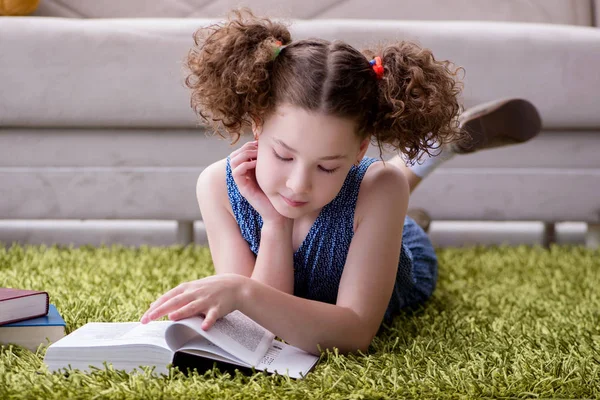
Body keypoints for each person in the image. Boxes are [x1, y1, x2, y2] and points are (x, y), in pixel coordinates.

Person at [140, 9, 541, 355]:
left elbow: (355, 332)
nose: (298, 185)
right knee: (373, 191)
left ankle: (430, 155)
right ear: (257, 125)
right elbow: (260, 329)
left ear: (360, 149)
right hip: (364, 211)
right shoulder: (216, 186)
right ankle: (430, 156)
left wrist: (241, 292)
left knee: (388, 186)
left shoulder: (379, 189)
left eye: (328, 166)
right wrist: (275, 224)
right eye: (283, 156)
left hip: (401, 247)